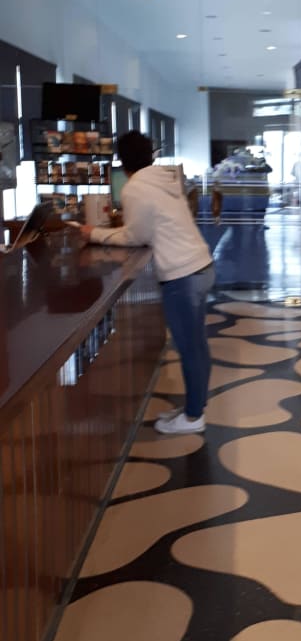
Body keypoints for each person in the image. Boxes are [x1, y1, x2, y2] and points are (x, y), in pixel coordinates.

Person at [81, 131, 214, 435]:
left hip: (182, 275)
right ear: (150, 155)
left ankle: (194, 417)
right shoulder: (164, 179)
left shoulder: (135, 188)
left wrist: (94, 233)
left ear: (122, 160)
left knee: (190, 348)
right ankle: (195, 407)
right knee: (197, 345)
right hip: (201, 266)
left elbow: (135, 236)